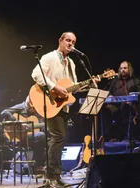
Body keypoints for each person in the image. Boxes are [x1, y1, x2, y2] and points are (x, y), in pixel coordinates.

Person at [30, 31, 100, 187]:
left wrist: (88, 83)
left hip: (61, 106)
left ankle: (55, 176)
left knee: (59, 140)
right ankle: (51, 177)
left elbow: (72, 88)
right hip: (47, 102)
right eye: (68, 40)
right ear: (60, 40)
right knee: (58, 138)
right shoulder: (49, 57)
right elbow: (36, 75)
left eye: (74, 42)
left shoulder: (72, 63)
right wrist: (55, 87)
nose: (71, 44)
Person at [0, 95, 46, 172]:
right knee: (41, 136)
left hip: (28, 137)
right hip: (17, 137)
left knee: (47, 137)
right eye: (32, 107)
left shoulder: (37, 111)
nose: (34, 109)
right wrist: (17, 122)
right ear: (28, 104)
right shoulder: (21, 107)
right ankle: (38, 165)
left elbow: (40, 123)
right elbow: (4, 112)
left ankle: (45, 166)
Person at [103, 60, 140, 142]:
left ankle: (128, 137)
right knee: (105, 110)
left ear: (129, 69)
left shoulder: (136, 81)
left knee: (125, 107)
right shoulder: (115, 81)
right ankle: (112, 137)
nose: (123, 70)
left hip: (131, 106)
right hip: (116, 106)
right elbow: (107, 92)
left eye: (125, 68)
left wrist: (131, 101)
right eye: (121, 68)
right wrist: (109, 96)